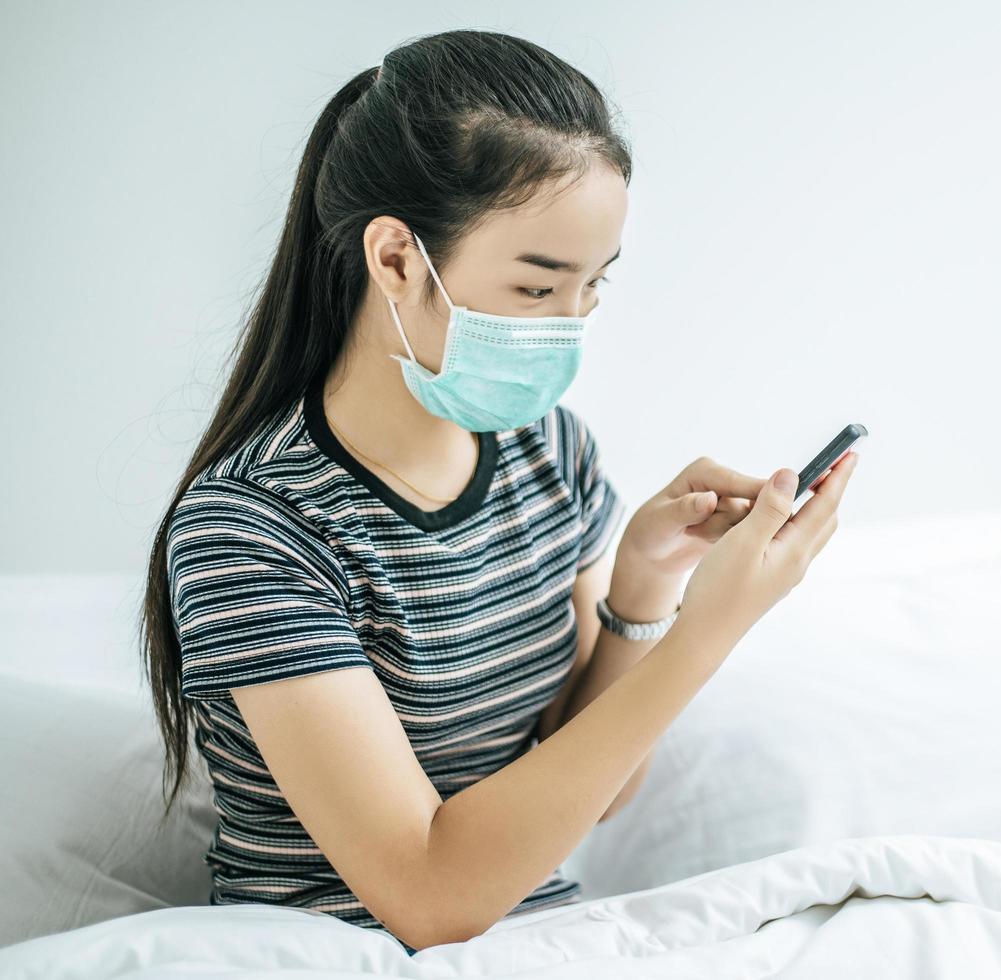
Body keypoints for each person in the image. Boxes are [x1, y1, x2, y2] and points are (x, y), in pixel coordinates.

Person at [138, 29, 858, 955]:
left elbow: (602, 782)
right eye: (535, 286)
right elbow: (431, 897)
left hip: (535, 939)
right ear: (396, 259)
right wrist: (709, 628)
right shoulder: (251, 530)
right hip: (327, 953)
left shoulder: (547, 452)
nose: (570, 327)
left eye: (593, 286)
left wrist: (643, 590)